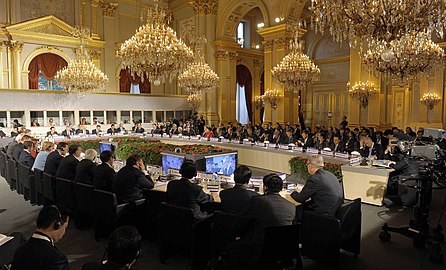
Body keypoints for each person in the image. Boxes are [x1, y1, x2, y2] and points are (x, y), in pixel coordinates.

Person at [228, 174, 296, 267]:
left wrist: (233, 235)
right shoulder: (292, 206)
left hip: (259, 250)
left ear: (265, 187)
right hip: (283, 251)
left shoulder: (257, 201)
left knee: (232, 245)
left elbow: (240, 221)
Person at [11, 205, 70, 270]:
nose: (64, 232)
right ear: (57, 225)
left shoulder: (20, 251)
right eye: (65, 227)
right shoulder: (57, 259)